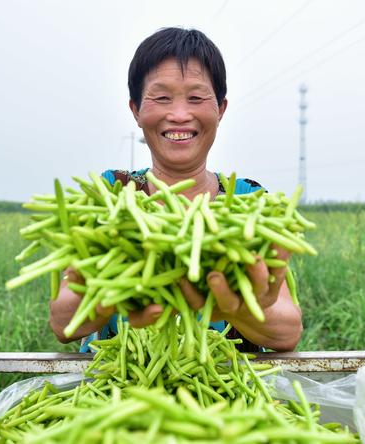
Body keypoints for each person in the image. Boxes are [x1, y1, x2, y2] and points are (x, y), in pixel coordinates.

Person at [49, 27, 302, 352]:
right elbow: (63, 323)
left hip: (230, 397)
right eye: (161, 97)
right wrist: (121, 285)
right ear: (136, 110)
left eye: (196, 98)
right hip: (118, 391)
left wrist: (235, 308)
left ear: (220, 109)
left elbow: (287, 331)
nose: (180, 114)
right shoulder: (109, 195)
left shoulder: (249, 201)